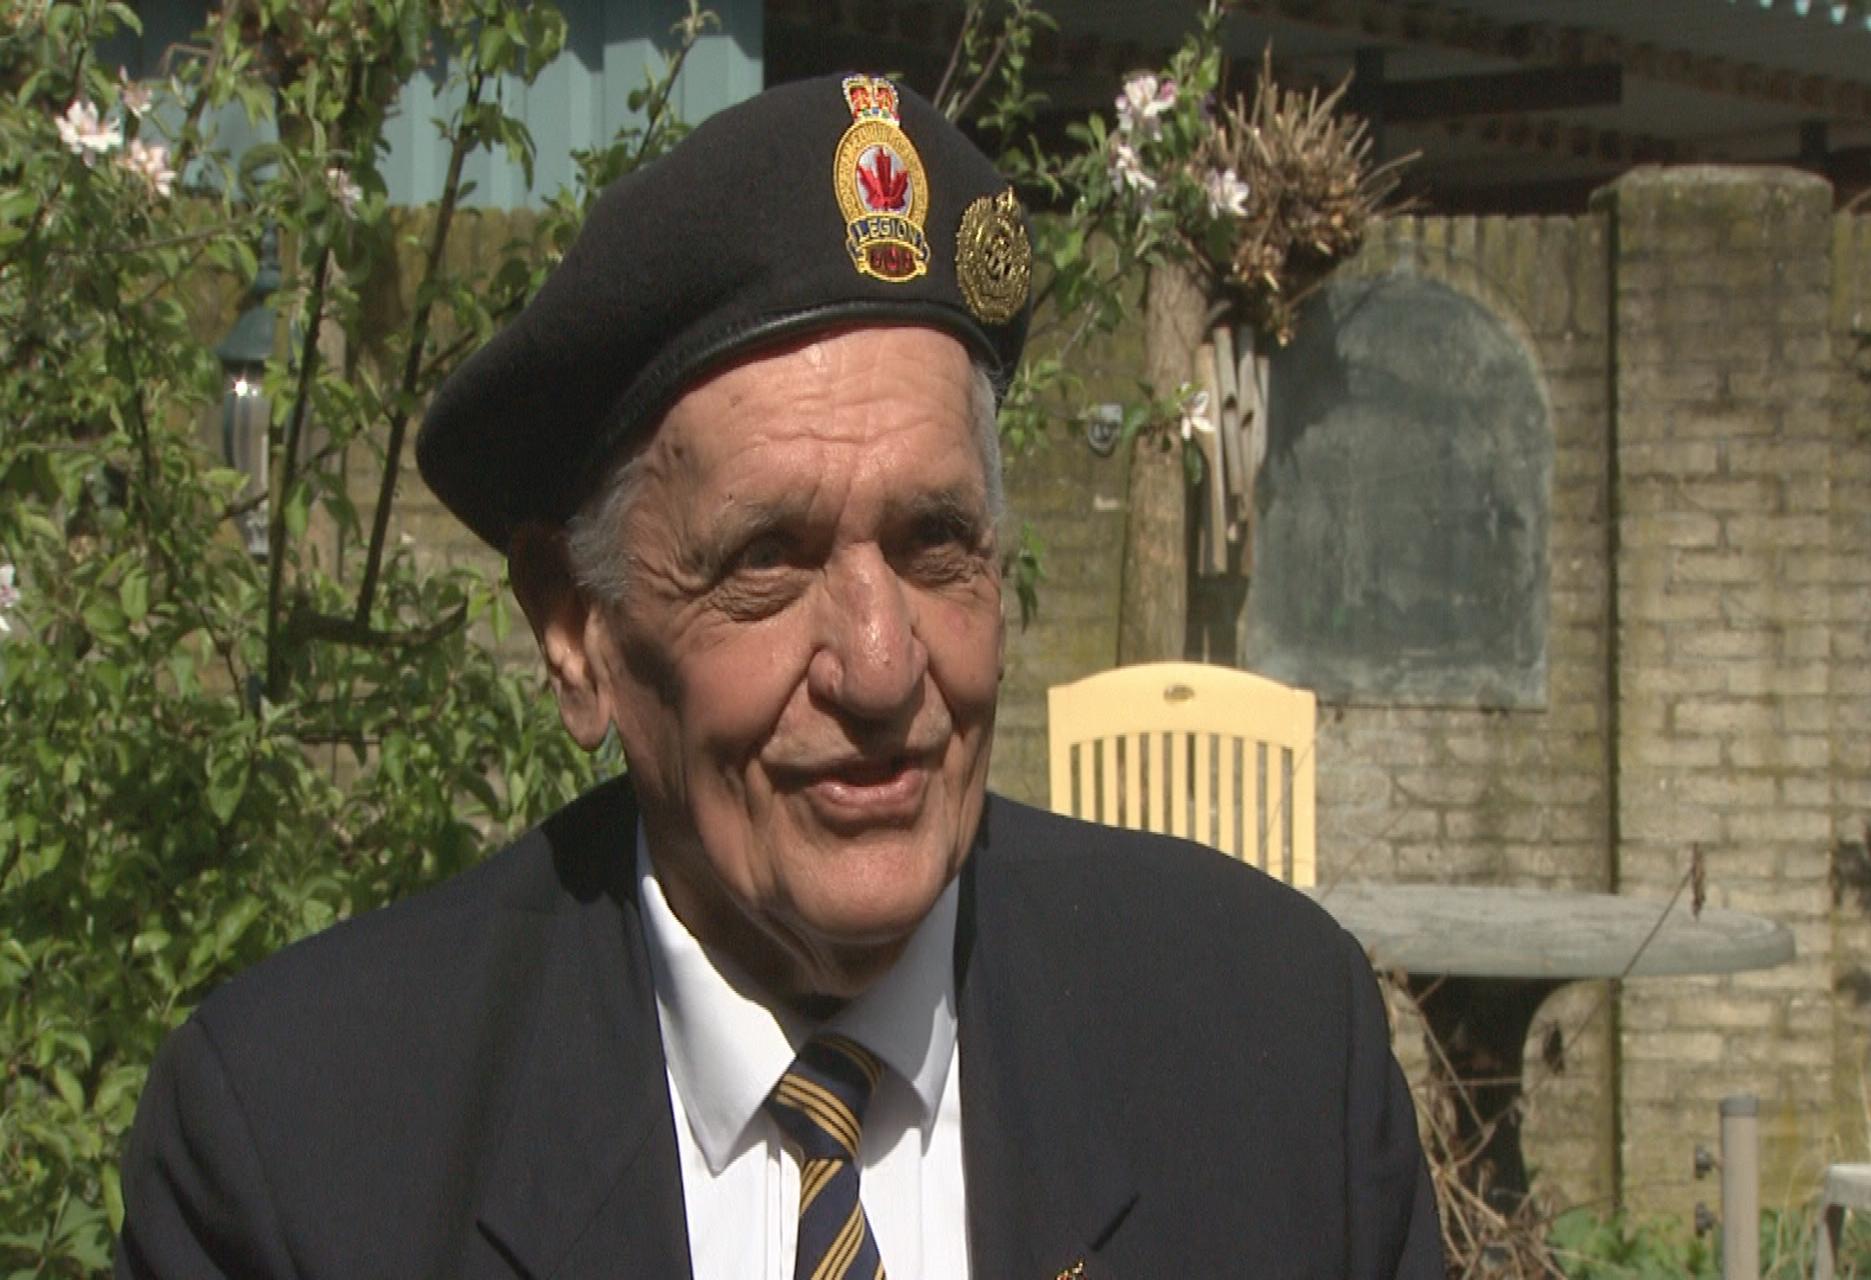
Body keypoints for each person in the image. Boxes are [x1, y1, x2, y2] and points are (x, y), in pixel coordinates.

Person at [115, 73, 1442, 1279]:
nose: (879, 665)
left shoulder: (1275, 1058)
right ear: (576, 631)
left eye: (935, 543)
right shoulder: (302, 1150)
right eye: (767, 561)